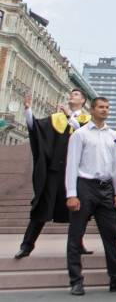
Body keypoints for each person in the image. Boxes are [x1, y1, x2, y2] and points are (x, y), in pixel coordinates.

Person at [17, 89, 90, 260]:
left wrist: (69, 117)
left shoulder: (86, 121)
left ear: (83, 102)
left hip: (76, 174)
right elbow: (36, 130)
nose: (72, 95)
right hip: (54, 173)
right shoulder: (56, 118)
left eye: (77, 94)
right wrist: (28, 110)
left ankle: (78, 244)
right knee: (42, 206)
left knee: (80, 210)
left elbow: (85, 137)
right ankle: (26, 246)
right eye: (71, 93)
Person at [64, 96, 116, 296]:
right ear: (92, 109)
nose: (104, 110)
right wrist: (71, 194)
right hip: (84, 187)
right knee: (76, 235)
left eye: (107, 107)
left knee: (111, 235)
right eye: (100, 107)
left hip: (106, 189)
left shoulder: (113, 135)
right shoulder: (80, 134)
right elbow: (72, 165)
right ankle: (76, 281)